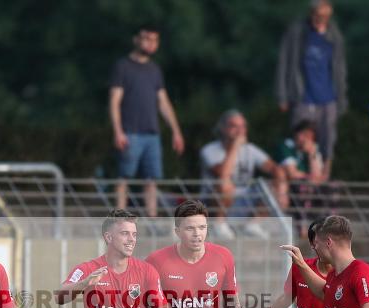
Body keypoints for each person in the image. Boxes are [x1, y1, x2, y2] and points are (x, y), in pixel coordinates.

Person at [110, 25, 185, 218]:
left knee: (152, 180)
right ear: (136, 39)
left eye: (155, 40)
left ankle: (151, 220)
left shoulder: (154, 70)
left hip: (152, 134)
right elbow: (114, 101)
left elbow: (163, 102)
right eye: (146, 38)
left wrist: (176, 131)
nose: (151, 43)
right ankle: (119, 220)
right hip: (130, 132)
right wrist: (118, 131)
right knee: (124, 178)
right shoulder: (122, 66)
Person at [276, 0, 347, 179]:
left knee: (328, 140)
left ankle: (324, 176)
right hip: (303, 95)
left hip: (327, 97)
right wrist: (282, 95)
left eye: (325, 16)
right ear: (311, 13)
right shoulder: (298, 32)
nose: (321, 19)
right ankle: (300, 177)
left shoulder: (333, 34)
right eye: (318, 15)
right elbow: (284, 63)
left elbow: (339, 68)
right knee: (301, 138)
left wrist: (341, 98)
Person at [199, 110, 283, 240]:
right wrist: (235, 147)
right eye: (234, 126)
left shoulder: (250, 149)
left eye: (243, 126)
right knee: (225, 184)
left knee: (271, 186)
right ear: (223, 128)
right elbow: (222, 173)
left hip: (244, 200)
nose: (240, 131)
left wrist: (281, 186)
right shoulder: (209, 150)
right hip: (214, 204)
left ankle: (253, 225)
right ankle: (218, 225)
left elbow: (275, 169)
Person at [275, 119, 327, 223]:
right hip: (289, 187)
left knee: (331, 187)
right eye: (304, 134)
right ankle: (302, 224)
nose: (305, 139)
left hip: (308, 187)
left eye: (309, 137)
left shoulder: (313, 149)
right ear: (296, 133)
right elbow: (292, 173)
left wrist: (312, 154)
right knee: (304, 187)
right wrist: (310, 177)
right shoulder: (287, 146)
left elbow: (317, 176)